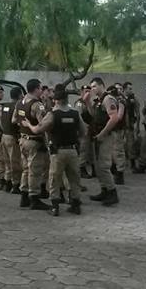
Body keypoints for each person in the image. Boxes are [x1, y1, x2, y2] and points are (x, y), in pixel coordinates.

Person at [23, 83, 86, 216]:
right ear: (67, 100)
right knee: (74, 178)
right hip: (73, 151)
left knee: (54, 179)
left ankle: (55, 207)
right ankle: (76, 204)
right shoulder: (75, 113)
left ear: (55, 100)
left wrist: (28, 124)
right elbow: (83, 131)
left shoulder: (53, 114)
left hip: (58, 152)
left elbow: (38, 129)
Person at [12, 79, 51, 210]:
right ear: (36, 89)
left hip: (23, 139)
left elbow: (14, 120)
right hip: (34, 141)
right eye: (40, 88)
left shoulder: (19, 103)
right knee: (35, 170)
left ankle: (24, 195)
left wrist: (24, 125)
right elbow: (43, 124)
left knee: (26, 169)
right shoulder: (37, 105)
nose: (42, 91)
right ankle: (34, 197)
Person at [88, 77, 122, 205]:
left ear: (102, 85)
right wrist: (87, 102)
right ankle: (104, 190)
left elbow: (114, 118)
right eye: (91, 87)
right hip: (98, 135)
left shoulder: (108, 99)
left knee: (104, 165)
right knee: (98, 166)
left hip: (106, 135)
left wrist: (102, 134)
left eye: (95, 86)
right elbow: (94, 116)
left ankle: (112, 192)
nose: (92, 89)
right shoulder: (98, 100)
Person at [0, 87, 24, 194]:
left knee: (7, 162)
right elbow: (20, 121)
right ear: (19, 95)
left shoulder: (4, 106)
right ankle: (15, 185)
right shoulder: (17, 106)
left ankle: (7, 183)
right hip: (13, 137)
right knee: (15, 162)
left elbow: (0, 119)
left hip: (4, 136)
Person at [74, 85, 95, 179]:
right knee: (83, 150)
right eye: (86, 91)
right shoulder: (79, 103)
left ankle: (94, 169)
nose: (88, 93)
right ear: (81, 92)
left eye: (89, 91)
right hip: (84, 129)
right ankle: (82, 168)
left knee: (91, 151)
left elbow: (93, 114)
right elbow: (79, 117)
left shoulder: (89, 103)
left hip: (91, 129)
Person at [109, 83, 128, 185]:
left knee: (118, 151)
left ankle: (120, 173)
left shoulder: (121, 101)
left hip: (117, 129)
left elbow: (119, 116)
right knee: (112, 151)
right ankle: (114, 170)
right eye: (117, 89)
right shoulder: (112, 100)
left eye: (121, 88)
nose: (119, 90)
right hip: (112, 129)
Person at [122, 82, 141, 172]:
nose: (131, 90)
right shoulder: (120, 98)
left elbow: (137, 112)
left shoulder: (134, 99)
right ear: (124, 89)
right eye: (129, 88)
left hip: (129, 125)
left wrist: (137, 126)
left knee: (131, 144)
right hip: (121, 125)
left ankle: (132, 163)